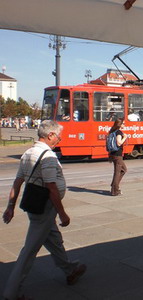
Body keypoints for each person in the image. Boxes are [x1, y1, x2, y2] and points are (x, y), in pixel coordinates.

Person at [2, 120, 87, 300]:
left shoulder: (28, 153)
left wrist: (10, 207)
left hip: (35, 205)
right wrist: (63, 213)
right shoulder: (47, 156)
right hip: (45, 207)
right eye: (59, 135)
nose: (60, 138)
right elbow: (51, 187)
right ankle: (11, 293)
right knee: (29, 250)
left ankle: (70, 270)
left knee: (53, 239)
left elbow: (18, 182)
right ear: (50, 136)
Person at [108, 118, 128, 196]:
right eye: (123, 124)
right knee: (118, 172)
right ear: (120, 124)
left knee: (123, 170)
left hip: (113, 154)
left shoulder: (113, 131)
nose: (124, 125)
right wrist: (125, 137)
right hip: (117, 155)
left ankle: (114, 185)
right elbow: (119, 143)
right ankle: (115, 190)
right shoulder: (119, 132)